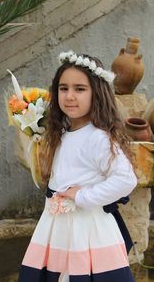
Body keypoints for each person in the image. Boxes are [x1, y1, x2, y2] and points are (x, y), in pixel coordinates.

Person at [18, 50, 137, 282]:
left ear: (97, 93)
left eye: (79, 89)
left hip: (86, 229)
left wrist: (84, 196)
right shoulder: (62, 133)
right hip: (57, 226)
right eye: (64, 88)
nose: (70, 96)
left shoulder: (98, 138)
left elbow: (126, 179)